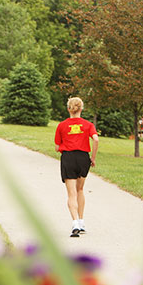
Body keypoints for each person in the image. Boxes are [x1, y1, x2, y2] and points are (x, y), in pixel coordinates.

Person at [54, 97, 99, 237]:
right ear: (81, 109)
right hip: (83, 158)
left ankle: (75, 223)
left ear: (69, 109)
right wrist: (93, 157)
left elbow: (56, 147)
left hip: (68, 158)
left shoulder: (61, 125)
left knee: (71, 193)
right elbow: (96, 139)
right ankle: (81, 221)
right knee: (80, 190)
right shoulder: (88, 125)